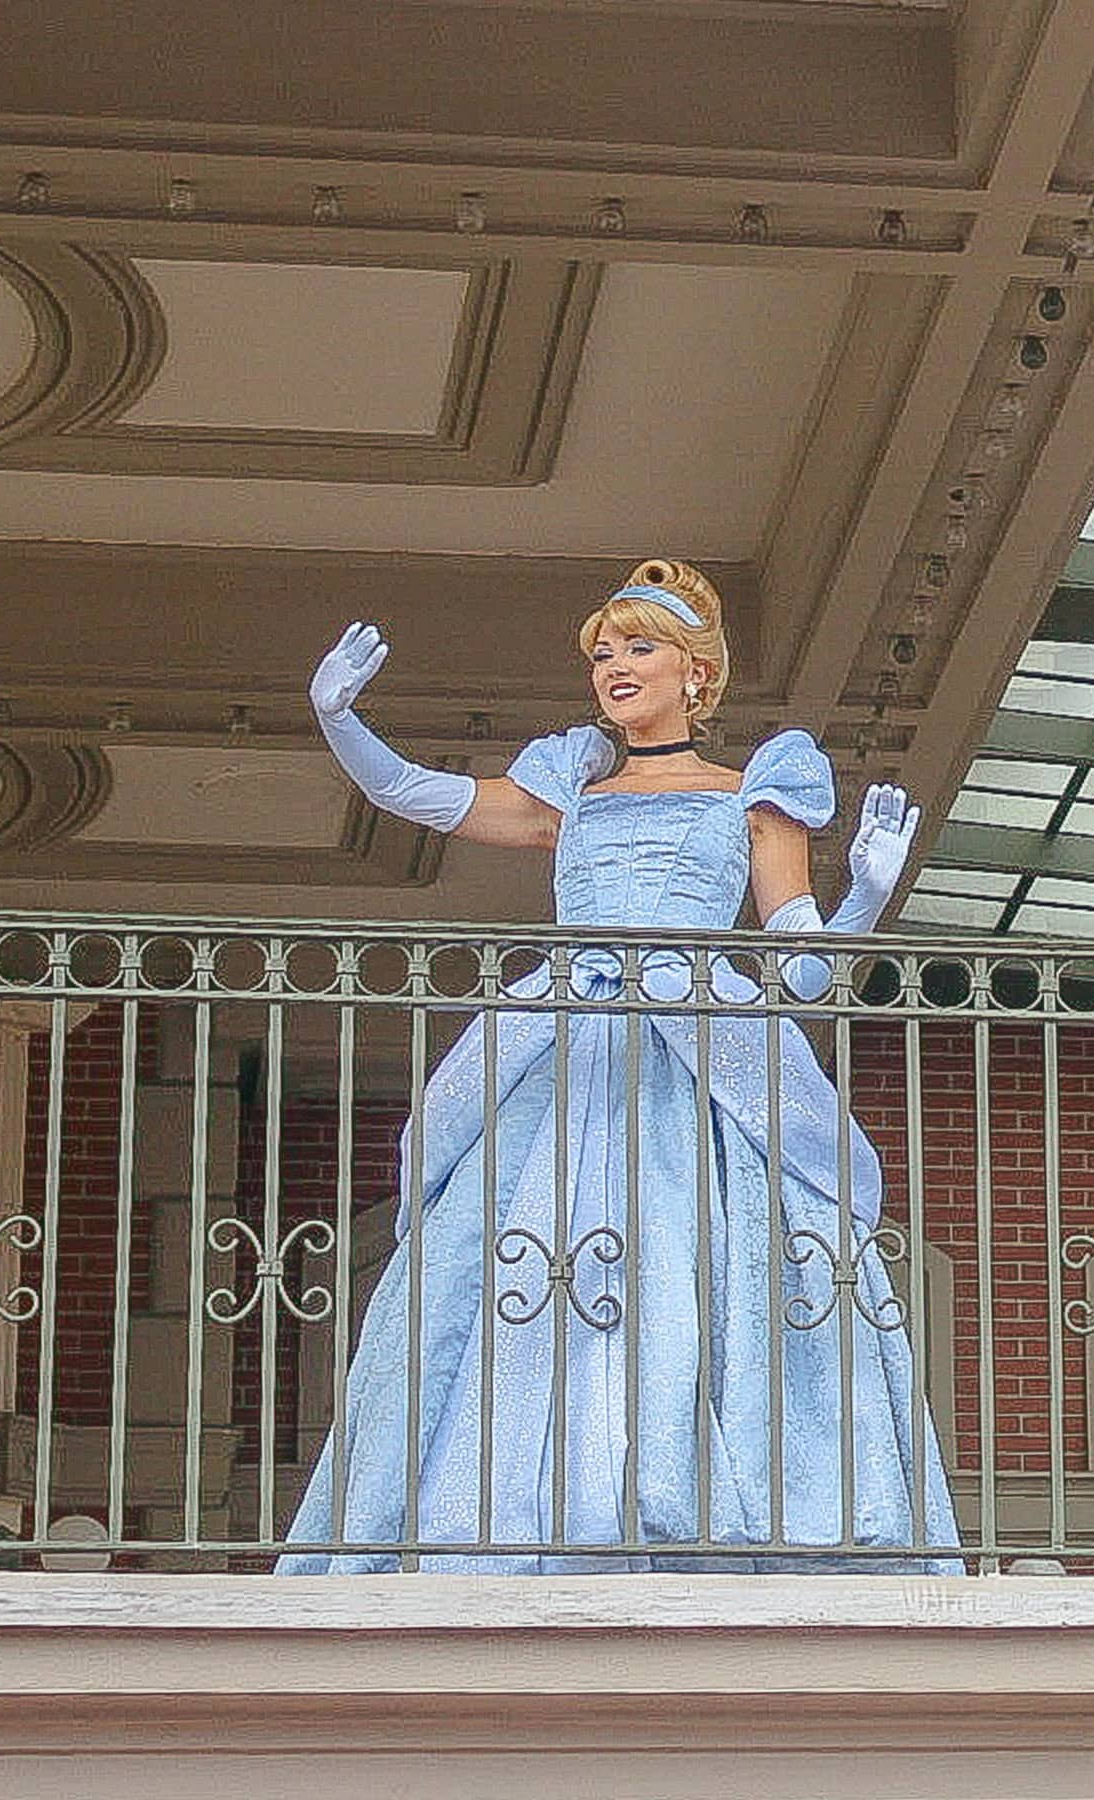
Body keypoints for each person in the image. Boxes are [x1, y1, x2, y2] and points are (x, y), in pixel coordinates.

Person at [277, 559, 962, 1574]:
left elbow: (805, 973)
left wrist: (861, 896)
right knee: (511, 1259)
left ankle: (695, 1500)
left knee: (703, 1266)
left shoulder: (754, 794)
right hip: (569, 1044)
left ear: (697, 674)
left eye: (638, 647)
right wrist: (339, 718)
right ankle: (506, 1510)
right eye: (603, 652)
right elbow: (423, 798)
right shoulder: (571, 789)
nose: (614, 668)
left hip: (698, 1057)